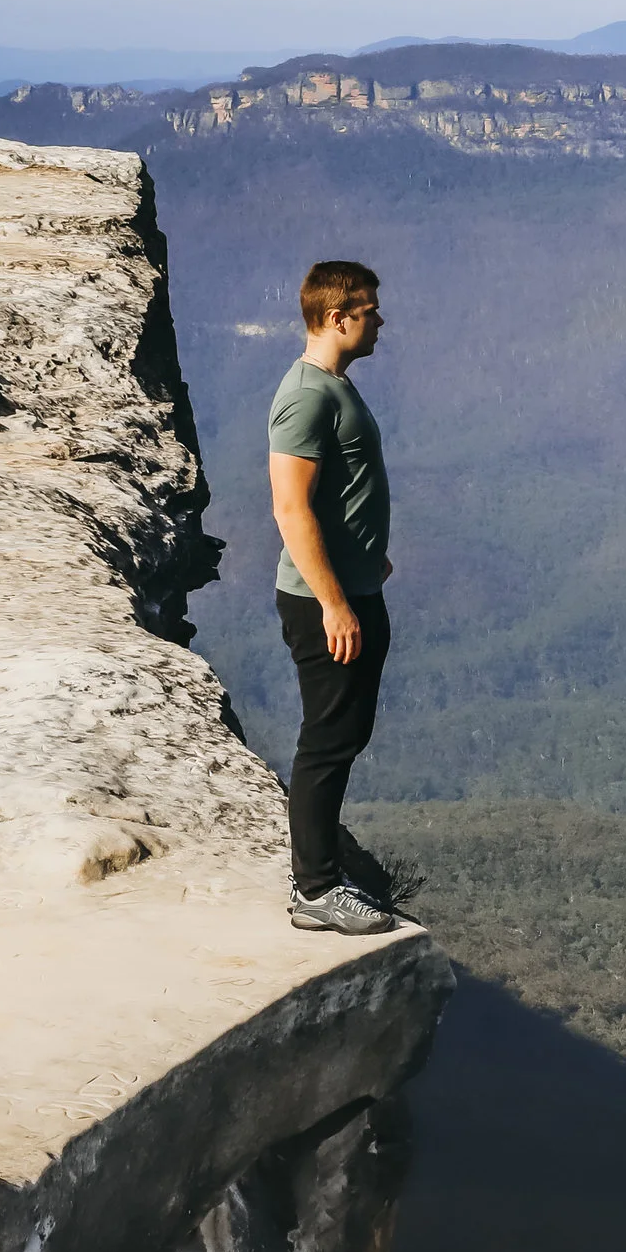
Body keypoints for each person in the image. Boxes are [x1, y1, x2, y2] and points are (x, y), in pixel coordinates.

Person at [270, 260, 401, 934]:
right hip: (325, 602)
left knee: (346, 734)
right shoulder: (307, 396)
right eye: (369, 310)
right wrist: (334, 603)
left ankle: (320, 875)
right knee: (327, 739)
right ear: (335, 316)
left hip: (352, 588)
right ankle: (315, 890)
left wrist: (365, 559)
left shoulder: (334, 387)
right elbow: (291, 508)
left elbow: (339, 493)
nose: (379, 321)